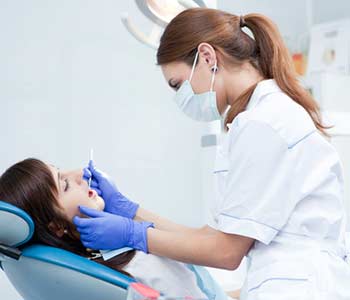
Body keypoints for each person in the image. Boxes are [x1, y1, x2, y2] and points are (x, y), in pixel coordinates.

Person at [74, 8, 350, 300]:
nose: (179, 98)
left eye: (177, 85)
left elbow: (227, 252)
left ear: (207, 57)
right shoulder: (252, 120)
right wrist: (131, 211)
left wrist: (133, 234)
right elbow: (211, 236)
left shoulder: (264, 122)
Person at [0, 158, 218, 299]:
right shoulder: (142, 264)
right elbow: (222, 254)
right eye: (64, 184)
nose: (81, 173)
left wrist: (130, 212)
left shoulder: (77, 274)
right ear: (56, 226)